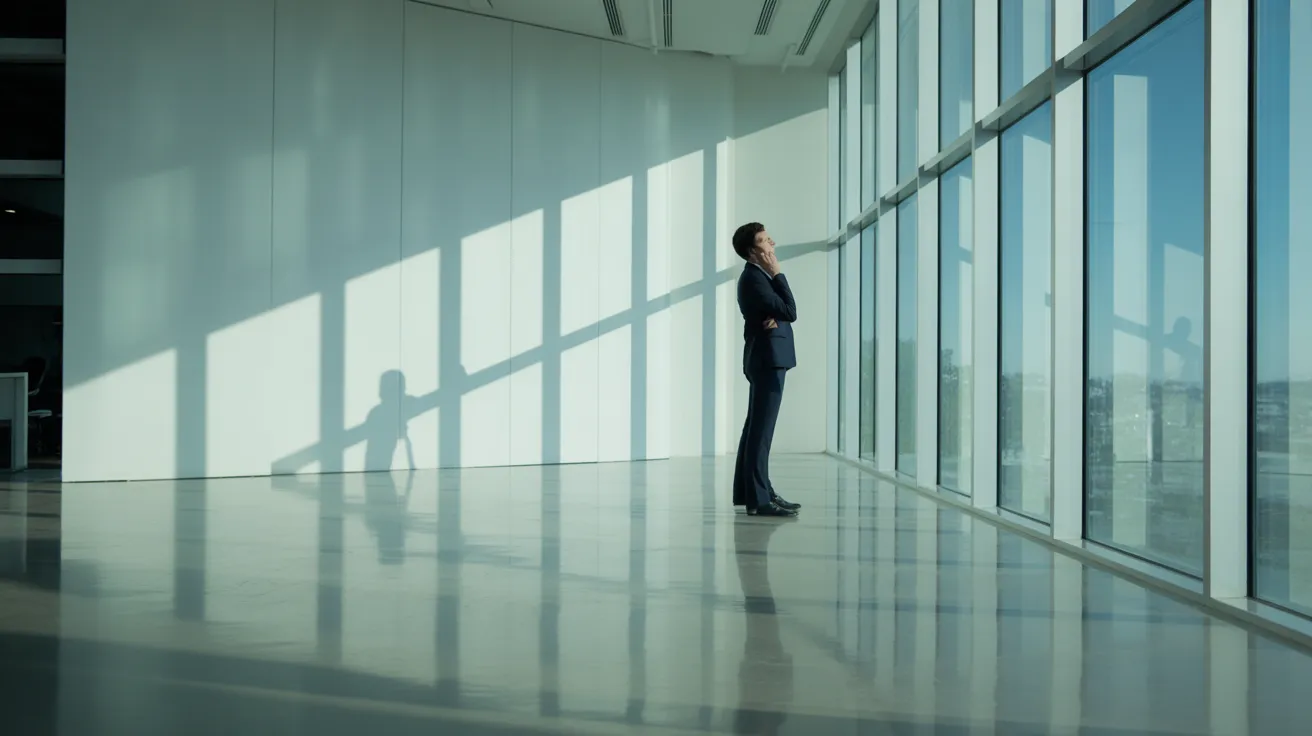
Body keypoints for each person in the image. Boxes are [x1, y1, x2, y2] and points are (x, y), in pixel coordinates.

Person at [731, 222, 801, 517]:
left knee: (755, 429)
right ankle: (758, 501)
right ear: (752, 251)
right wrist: (778, 273)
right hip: (767, 359)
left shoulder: (755, 278)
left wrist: (777, 316)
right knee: (761, 432)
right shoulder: (757, 278)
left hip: (767, 358)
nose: (771, 242)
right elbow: (790, 311)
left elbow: (781, 313)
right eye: (763, 239)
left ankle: (754, 492)